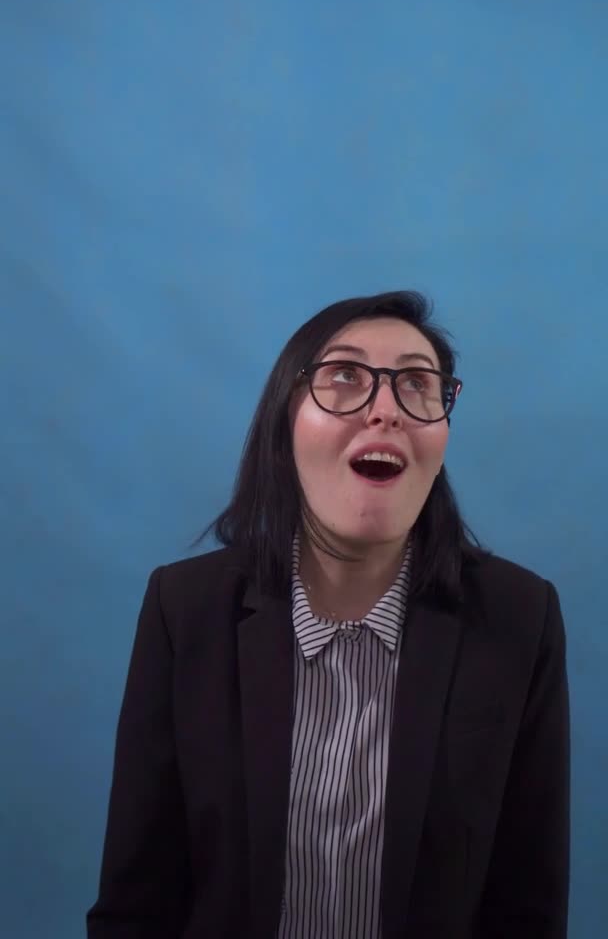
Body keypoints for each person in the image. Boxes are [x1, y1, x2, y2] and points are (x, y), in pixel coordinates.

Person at [87, 290, 570, 939]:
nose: (385, 410)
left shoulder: (520, 617)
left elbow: (526, 911)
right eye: (344, 376)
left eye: (417, 385)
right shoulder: (185, 611)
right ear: (285, 423)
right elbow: (135, 907)